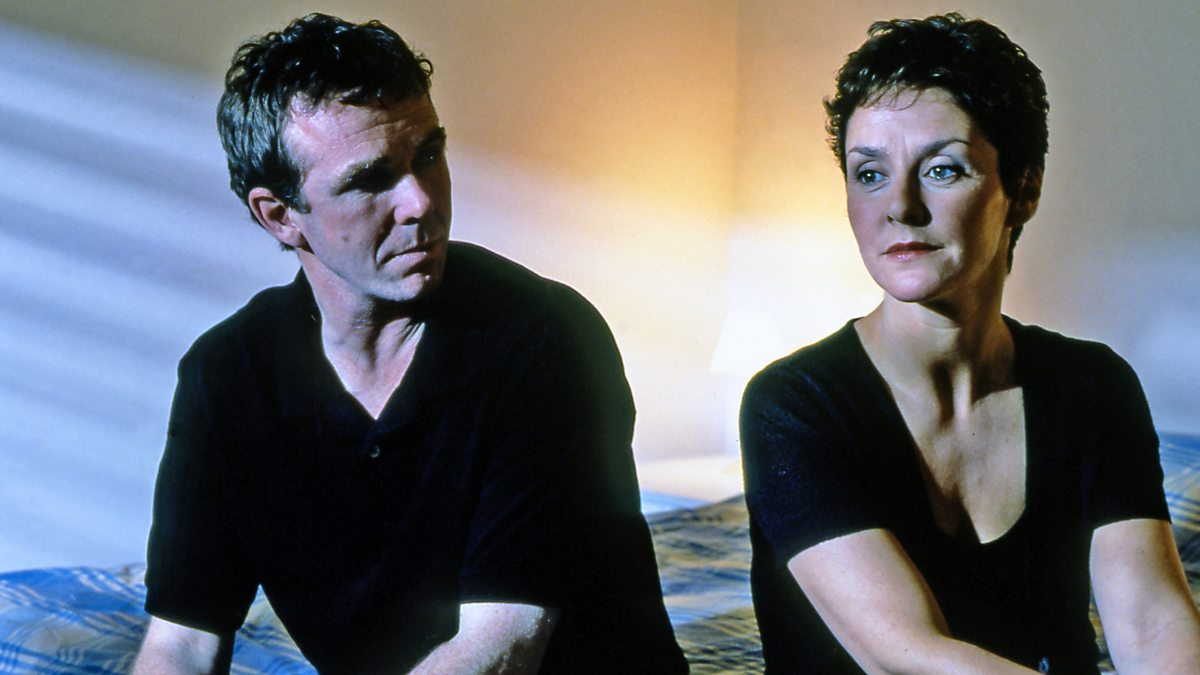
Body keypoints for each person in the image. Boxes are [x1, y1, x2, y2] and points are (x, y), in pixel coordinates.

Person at [133, 13, 686, 674]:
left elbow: (502, 648)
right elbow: (183, 640)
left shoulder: (544, 337)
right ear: (280, 216)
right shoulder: (227, 374)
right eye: (370, 179)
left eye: (427, 155)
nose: (420, 201)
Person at [741, 13, 1200, 674]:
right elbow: (908, 657)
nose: (899, 205)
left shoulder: (1092, 387)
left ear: (1025, 189)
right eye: (869, 173)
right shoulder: (794, 404)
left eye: (942, 169)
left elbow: (1153, 624)